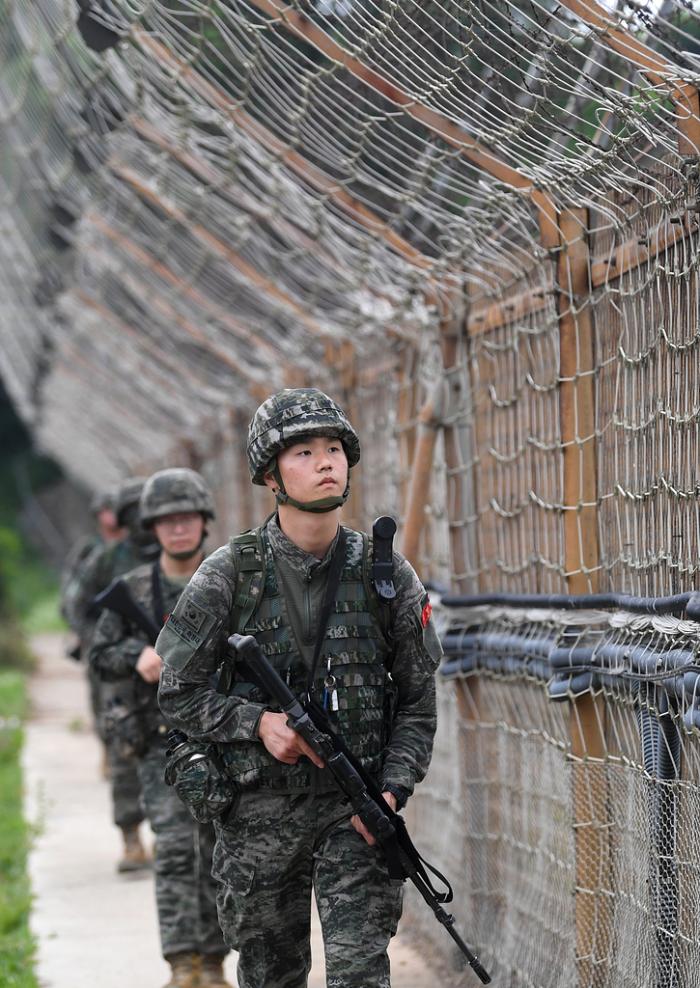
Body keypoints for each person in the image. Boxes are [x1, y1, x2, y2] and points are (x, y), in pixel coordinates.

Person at [157, 388, 443, 988]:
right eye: (305, 451)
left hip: (356, 809)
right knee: (270, 973)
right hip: (259, 813)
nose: (325, 462)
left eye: (335, 448)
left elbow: (418, 701)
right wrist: (256, 724)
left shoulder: (385, 574)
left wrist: (390, 793)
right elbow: (178, 693)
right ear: (270, 474)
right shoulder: (230, 573)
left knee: (360, 973)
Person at [90, 468, 232, 988]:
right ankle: (182, 963)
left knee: (218, 851)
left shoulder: (229, 577)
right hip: (160, 743)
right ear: (152, 527)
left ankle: (215, 962)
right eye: (167, 521)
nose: (178, 530)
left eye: (187, 518)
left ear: (203, 521)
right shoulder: (133, 590)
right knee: (173, 849)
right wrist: (138, 657)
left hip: (222, 738)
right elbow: (98, 653)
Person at [69, 476, 160, 872]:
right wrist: (102, 645)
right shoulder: (109, 559)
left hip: (171, 666)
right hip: (123, 671)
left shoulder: (177, 554)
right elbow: (79, 606)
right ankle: (130, 835)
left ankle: (172, 833)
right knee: (125, 750)